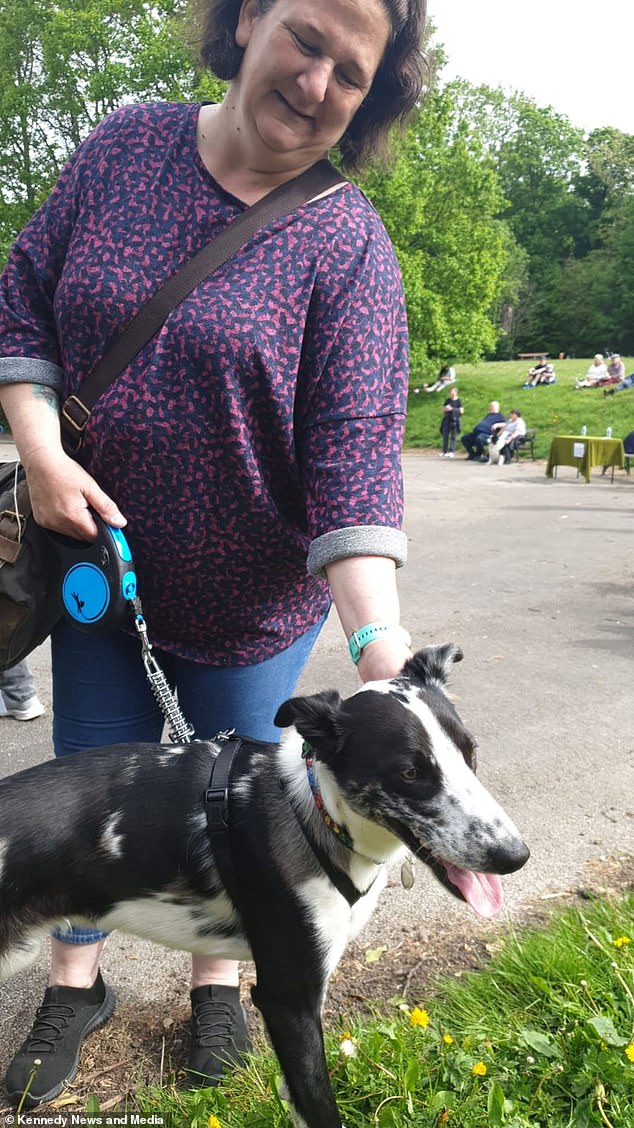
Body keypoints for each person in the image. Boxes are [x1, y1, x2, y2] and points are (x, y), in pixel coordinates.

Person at [0, 0, 426, 1108]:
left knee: (239, 815)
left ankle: (221, 989)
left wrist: (379, 645)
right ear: (246, 21)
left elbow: (352, 466)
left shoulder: (346, 245)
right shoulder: (123, 147)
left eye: (352, 71)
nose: (318, 78)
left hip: (250, 612)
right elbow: (22, 309)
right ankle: (75, 982)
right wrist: (42, 452)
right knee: (85, 797)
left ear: (368, 97)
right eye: (306, 37)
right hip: (101, 580)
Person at [438, 385, 463, 457]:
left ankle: (451, 451)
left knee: (453, 436)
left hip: (454, 420)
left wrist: (452, 409)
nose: (452, 393)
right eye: (451, 391)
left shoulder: (458, 401)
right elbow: (443, 409)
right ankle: (444, 451)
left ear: (456, 392)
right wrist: (446, 408)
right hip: (447, 419)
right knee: (445, 436)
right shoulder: (448, 400)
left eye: (453, 391)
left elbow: (461, 411)